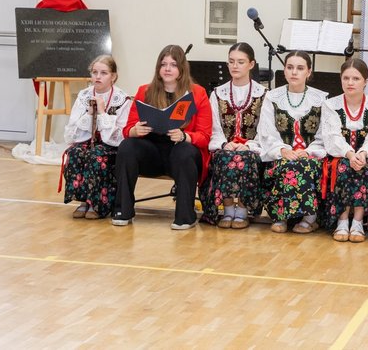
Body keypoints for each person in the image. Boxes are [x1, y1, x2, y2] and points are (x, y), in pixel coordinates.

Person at [112, 44, 212, 230]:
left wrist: (184, 136)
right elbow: (127, 129)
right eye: (163, 64)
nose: (167, 69)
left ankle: (185, 217)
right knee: (127, 146)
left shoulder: (198, 93)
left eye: (173, 65)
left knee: (184, 151)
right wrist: (135, 130)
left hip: (180, 154)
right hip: (152, 154)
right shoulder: (145, 91)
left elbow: (205, 136)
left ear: (182, 69)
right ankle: (122, 210)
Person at [256, 51, 328, 234]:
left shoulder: (321, 99)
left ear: (308, 72)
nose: (294, 72)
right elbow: (266, 131)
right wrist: (282, 150)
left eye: (300, 68)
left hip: (311, 156)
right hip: (280, 154)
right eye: (290, 67)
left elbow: (325, 134)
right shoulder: (272, 97)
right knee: (286, 165)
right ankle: (281, 216)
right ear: (284, 70)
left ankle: (309, 217)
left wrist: (309, 151)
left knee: (304, 165)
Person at [319, 58, 368, 243]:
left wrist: (362, 153)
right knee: (343, 166)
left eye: (356, 78)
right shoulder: (330, 105)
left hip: (367, 156)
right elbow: (332, 137)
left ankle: (357, 222)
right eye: (346, 78)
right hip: (340, 155)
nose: (350, 83)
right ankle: (342, 220)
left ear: (365, 81)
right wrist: (350, 154)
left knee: (364, 167)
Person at [201, 42, 268, 229]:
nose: (235, 66)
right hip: (225, 147)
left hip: (252, 148)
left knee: (246, 158)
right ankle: (228, 209)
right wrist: (224, 144)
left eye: (240, 62)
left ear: (251, 64)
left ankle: (243, 210)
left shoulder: (264, 94)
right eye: (231, 62)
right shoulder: (217, 94)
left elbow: (265, 129)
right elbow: (214, 126)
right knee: (225, 157)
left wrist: (250, 145)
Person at [61, 55, 131, 219]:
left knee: (96, 155)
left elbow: (120, 136)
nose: (98, 77)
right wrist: (89, 114)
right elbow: (72, 133)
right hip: (88, 141)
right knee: (75, 153)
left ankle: (98, 203)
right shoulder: (84, 96)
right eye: (94, 72)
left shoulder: (122, 99)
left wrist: (102, 112)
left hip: (111, 145)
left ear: (113, 76)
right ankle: (83, 201)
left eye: (103, 73)